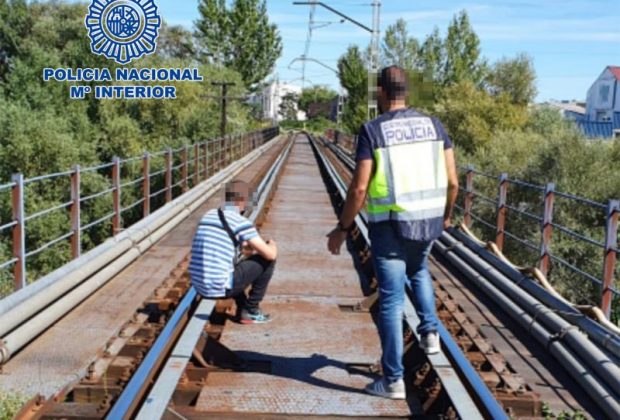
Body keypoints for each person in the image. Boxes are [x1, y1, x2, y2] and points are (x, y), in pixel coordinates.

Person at [326, 66, 458, 399]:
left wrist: (342, 229)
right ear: (407, 92)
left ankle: (393, 380)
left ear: (382, 92)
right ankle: (430, 333)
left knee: (391, 301)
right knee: (420, 271)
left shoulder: (373, 130)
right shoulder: (435, 126)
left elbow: (358, 189)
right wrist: (446, 216)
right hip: (427, 222)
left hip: (390, 227)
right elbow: (453, 181)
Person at [190, 179, 278, 324]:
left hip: (199, 286)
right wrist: (272, 244)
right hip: (220, 288)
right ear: (240, 201)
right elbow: (270, 254)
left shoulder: (209, 214)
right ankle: (251, 310)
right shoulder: (240, 222)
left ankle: (243, 308)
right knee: (267, 261)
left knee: (237, 264)